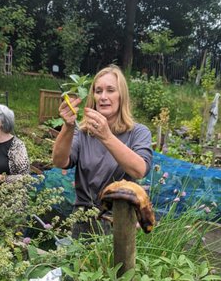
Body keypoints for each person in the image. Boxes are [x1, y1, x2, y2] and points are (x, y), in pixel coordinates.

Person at [50, 65, 153, 217]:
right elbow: (59, 161)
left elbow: (139, 170)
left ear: (121, 96)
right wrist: (68, 126)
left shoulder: (138, 132)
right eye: (98, 91)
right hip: (83, 218)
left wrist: (106, 136)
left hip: (120, 219)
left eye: (110, 90)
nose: (103, 97)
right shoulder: (84, 133)